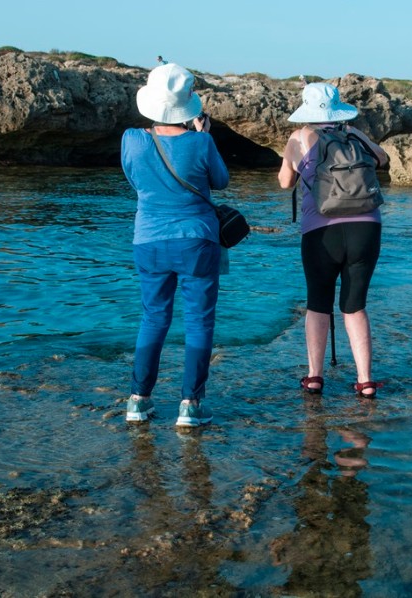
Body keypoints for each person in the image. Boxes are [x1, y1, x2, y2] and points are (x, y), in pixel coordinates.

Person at [121, 63, 229, 427]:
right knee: (199, 321)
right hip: (197, 240)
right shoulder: (202, 141)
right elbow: (221, 180)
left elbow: (135, 180)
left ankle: (138, 400)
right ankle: (191, 405)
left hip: (148, 239)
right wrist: (201, 134)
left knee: (153, 317)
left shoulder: (131, 140)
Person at [277, 83, 389, 398]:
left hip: (320, 230)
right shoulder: (354, 134)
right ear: (337, 109)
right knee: (355, 306)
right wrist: (357, 138)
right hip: (366, 227)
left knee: (318, 303)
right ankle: (365, 380)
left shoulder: (298, 137)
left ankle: (314, 377)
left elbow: (286, 183)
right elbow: (382, 159)